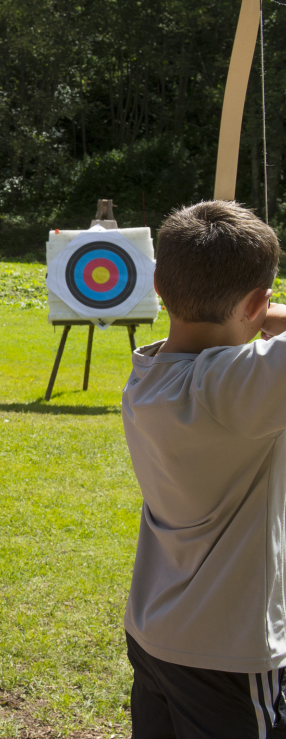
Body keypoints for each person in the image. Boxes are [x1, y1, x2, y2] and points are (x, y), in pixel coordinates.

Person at [123, 200, 286, 737]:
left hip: (154, 635)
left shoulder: (148, 371)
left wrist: (255, 309)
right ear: (258, 302)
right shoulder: (232, 389)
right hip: (228, 655)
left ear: (158, 287)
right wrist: (263, 310)